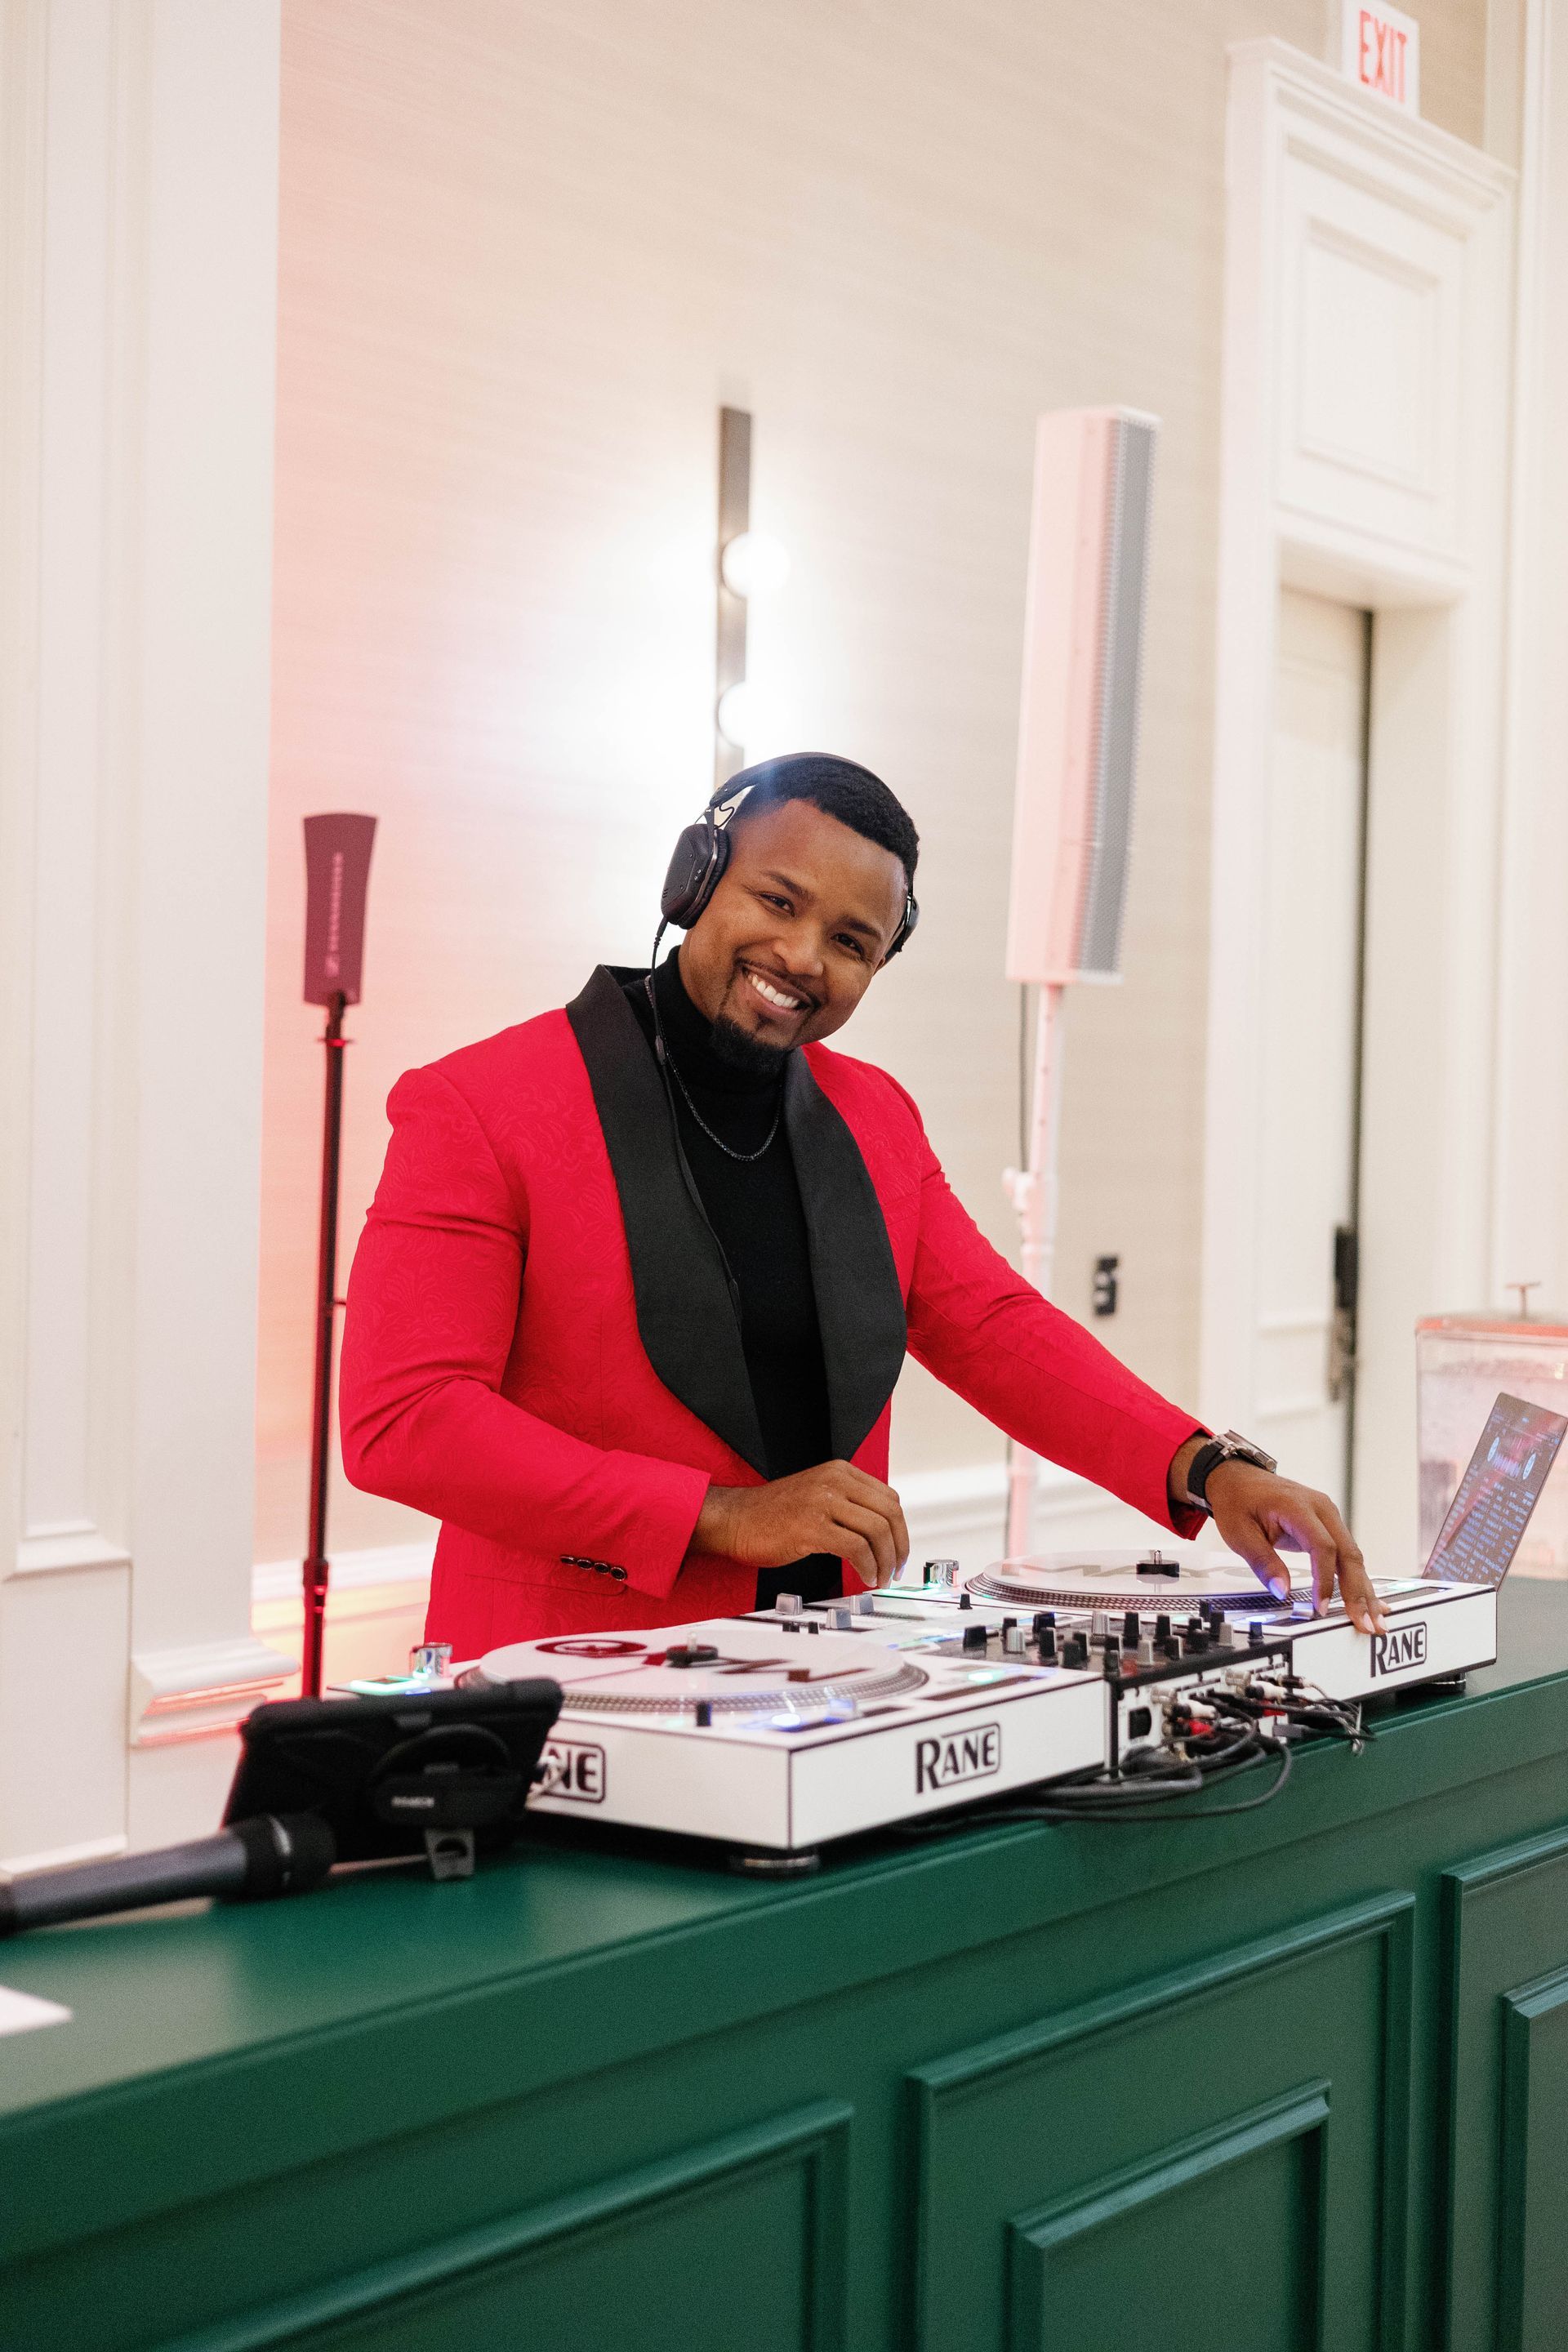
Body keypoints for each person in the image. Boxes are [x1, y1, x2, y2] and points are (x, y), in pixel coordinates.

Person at [340, 753, 1383, 1653]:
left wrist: (1207, 1465)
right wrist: (717, 1516)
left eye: (851, 941)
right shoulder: (478, 1105)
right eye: (778, 901)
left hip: (827, 1673)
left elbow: (989, 1324)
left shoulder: (874, 1114)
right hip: (562, 1678)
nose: (803, 959)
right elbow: (406, 1421)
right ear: (695, 881)